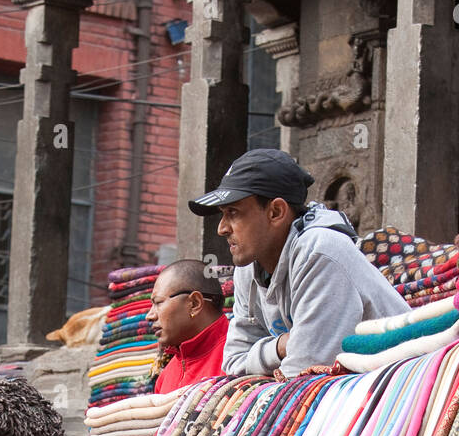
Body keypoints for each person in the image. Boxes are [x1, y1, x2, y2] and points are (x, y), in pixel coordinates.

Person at [188, 147, 406, 378]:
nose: (222, 228)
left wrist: (273, 358)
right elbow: (233, 363)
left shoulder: (321, 251)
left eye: (233, 212)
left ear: (276, 211)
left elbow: (302, 376)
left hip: (403, 390)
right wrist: (282, 345)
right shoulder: (248, 266)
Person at [147, 259, 229, 394]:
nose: (150, 315)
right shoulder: (166, 376)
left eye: (158, 302)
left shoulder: (238, 359)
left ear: (194, 303)